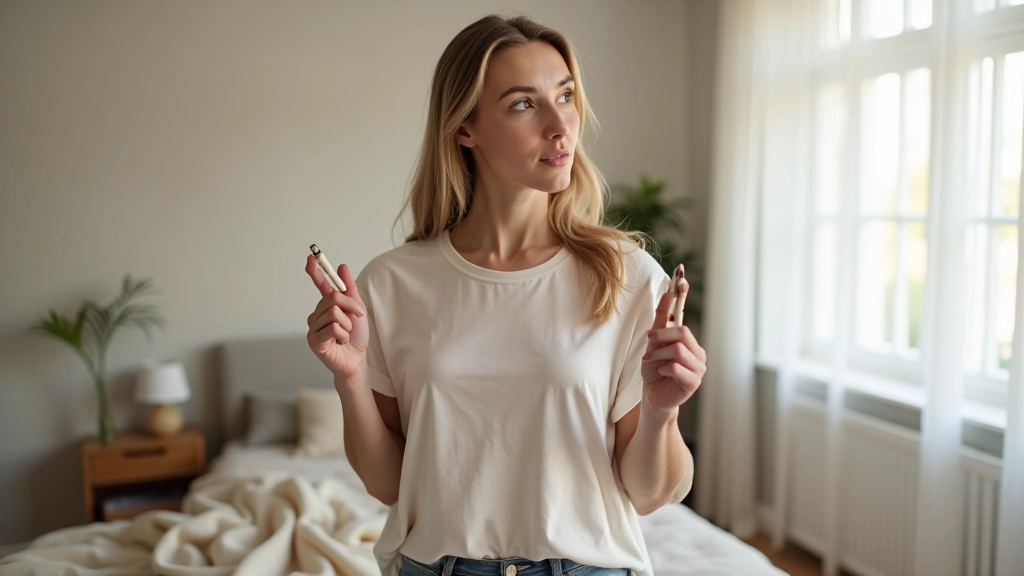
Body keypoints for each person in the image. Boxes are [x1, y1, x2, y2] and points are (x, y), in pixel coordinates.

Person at [303, 14, 706, 576]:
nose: (560, 125)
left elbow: (648, 495)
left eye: (565, 96)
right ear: (464, 128)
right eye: (524, 104)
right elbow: (389, 486)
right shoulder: (393, 283)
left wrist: (663, 412)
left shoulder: (628, 276)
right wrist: (349, 381)